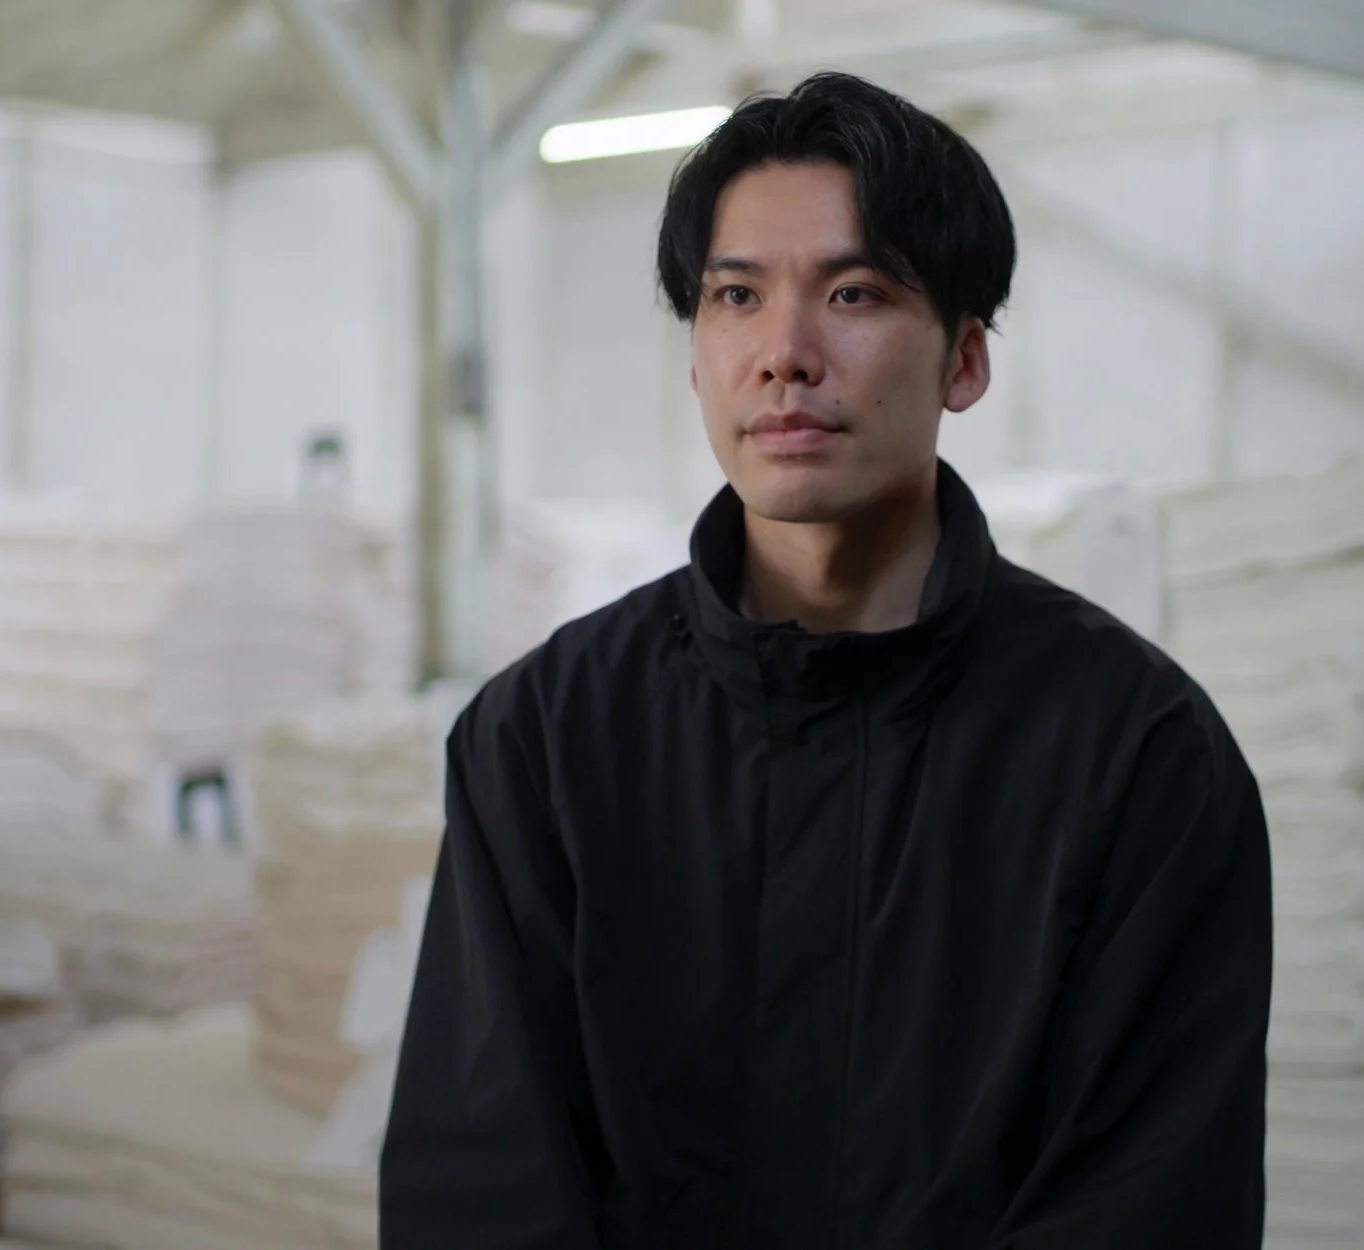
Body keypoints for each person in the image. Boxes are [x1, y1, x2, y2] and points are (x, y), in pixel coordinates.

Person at [381, 71, 1272, 1249]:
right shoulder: (546, 735)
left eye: (853, 293)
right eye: (736, 296)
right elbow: (479, 1184)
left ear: (963, 360)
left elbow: (1151, 1199)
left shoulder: (1132, 751)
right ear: (695, 354)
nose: (785, 353)